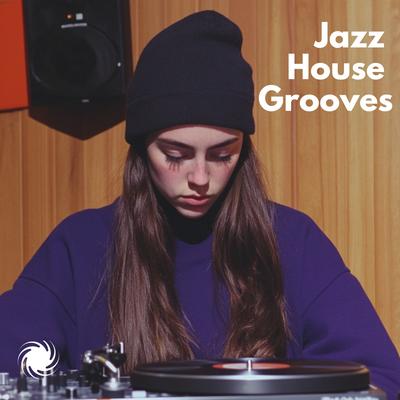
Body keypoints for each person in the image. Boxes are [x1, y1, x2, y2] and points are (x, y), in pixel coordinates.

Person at [0, 10, 399, 399]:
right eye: (175, 155)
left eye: (223, 155)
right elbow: (12, 371)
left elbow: (379, 378)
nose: (201, 178)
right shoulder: (79, 246)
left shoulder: (294, 241)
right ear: (141, 147)